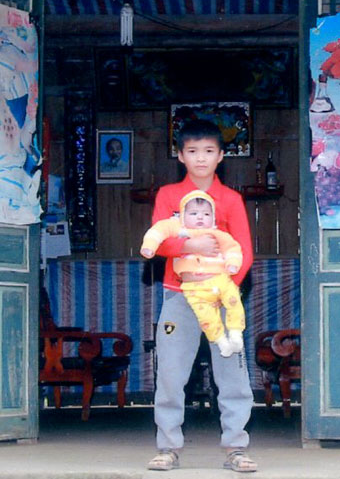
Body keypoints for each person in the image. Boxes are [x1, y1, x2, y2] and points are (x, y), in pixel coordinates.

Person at [147, 119, 257, 473]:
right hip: (178, 295)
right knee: (171, 371)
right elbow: (157, 241)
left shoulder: (231, 199)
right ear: (180, 155)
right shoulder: (168, 195)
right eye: (192, 151)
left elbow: (244, 251)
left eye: (209, 151)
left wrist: (226, 287)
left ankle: (236, 447)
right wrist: (189, 246)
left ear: (221, 156)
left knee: (231, 371)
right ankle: (168, 447)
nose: (200, 158)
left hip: (221, 297)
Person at [140, 190, 246, 357]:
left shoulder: (218, 234)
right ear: (182, 216)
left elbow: (233, 249)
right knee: (207, 318)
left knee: (234, 302)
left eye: (206, 214)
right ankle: (221, 342)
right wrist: (149, 246)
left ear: (213, 218)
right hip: (194, 288)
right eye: (194, 213)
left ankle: (235, 333)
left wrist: (233, 264)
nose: (200, 217)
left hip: (220, 281)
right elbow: (158, 231)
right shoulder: (179, 230)